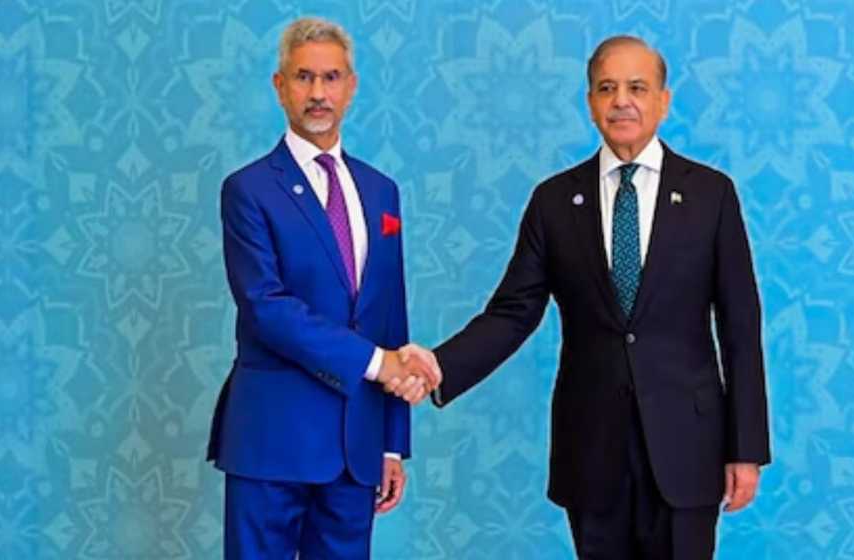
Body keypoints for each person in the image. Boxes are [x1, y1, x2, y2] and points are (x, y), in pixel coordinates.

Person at [416, 35, 771, 558]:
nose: (621, 100)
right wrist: (437, 366)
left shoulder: (711, 195)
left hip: (687, 448)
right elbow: (513, 313)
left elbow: (741, 328)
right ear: (590, 103)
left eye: (636, 87)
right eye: (607, 88)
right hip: (593, 449)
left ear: (663, 101)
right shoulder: (555, 201)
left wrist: (746, 449)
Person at [206, 16, 440, 560]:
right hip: (271, 440)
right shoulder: (248, 190)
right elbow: (266, 308)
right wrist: (378, 365)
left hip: (357, 446)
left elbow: (390, 319)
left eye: (331, 78)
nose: (318, 93)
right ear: (279, 86)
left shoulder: (381, 191)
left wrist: (391, 442)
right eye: (304, 77)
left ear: (351, 86)